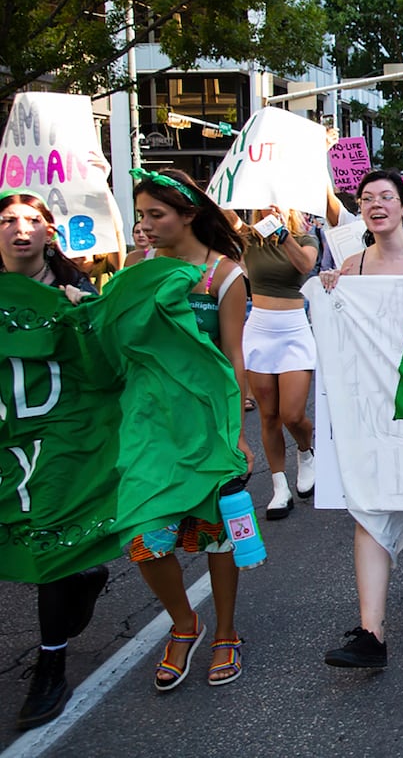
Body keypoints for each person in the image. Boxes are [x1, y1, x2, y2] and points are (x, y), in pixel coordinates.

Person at [319, 170, 403, 669]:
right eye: (366, 198)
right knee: (370, 505)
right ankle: (371, 634)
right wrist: (330, 290)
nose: (376, 204)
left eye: (386, 197)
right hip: (375, 407)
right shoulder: (350, 268)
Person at [126, 168, 252, 689]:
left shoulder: (225, 275)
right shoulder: (135, 265)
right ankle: (184, 622)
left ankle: (225, 632)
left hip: (205, 431)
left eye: (156, 214)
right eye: (141, 216)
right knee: (145, 541)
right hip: (148, 429)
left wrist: (233, 431)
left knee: (218, 537)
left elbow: (232, 356)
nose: (146, 225)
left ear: (188, 215)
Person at [1, 189, 110, 729]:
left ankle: (50, 665)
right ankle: (84, 576)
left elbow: (107, 359)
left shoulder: (75, 290)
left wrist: (86, 315)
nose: (19, 229)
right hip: (7, 439)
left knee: (47, 544)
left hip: (65, 438)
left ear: (50, 232)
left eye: (31, 220)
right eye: (7, 220)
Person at [240, 205, 319, 520]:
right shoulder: (246, 238)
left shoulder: (305, 238)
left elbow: (304, 266)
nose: (269, 206)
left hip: (293, 329)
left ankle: (305, 451)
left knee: (293, 414)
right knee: (269, 415)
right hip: (259, 328)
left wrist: (283, 235)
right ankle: (279, 487)